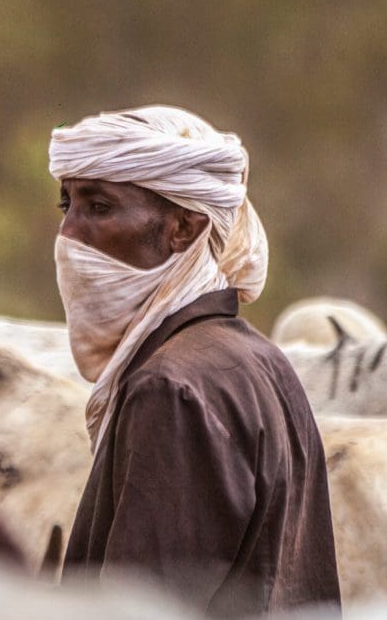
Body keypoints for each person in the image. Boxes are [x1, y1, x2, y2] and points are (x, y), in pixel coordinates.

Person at [48, 106, 340, 617]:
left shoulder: (171, 389)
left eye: (98, 208)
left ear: (183, 228)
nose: (68, 232)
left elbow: (139, 608)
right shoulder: (259, 358)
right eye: (66, 204)